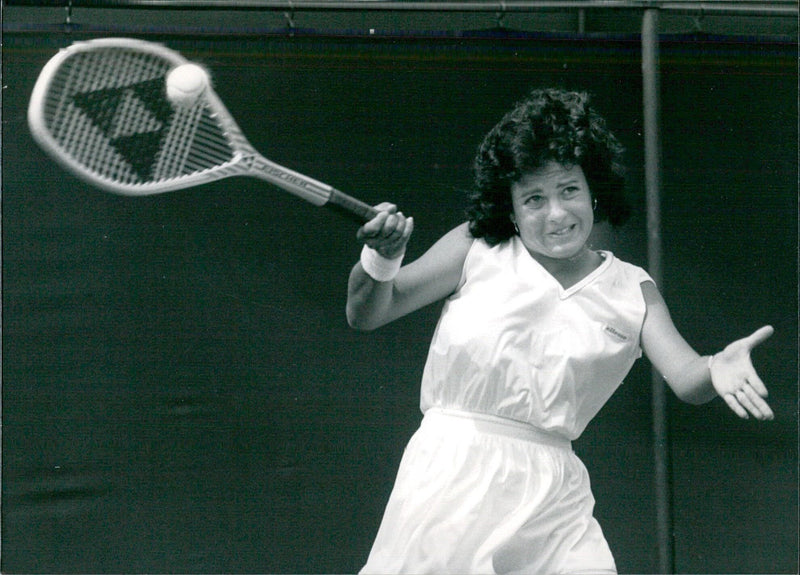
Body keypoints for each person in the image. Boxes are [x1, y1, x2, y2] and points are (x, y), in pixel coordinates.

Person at [345, 88, 774, 575]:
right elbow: (368, 313)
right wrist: (380, 259)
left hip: (554, 495)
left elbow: (688, 378)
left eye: (569, 190)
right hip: (451, 477)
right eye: (534, 198)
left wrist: (717, 366)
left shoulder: (632, 289)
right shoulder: (477, 247)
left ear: (593, 190)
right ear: (510, 208)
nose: (557, 213)